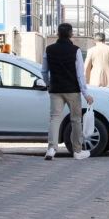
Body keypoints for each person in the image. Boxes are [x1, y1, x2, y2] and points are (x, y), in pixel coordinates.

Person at [41, 23, 94, 161]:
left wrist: (48, 84)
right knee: (76, 120)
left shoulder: (49, 49)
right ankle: (77, 151)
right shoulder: (75, 50)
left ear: (58, 34)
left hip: (55, 89)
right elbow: (80, 74)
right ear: (71, 34)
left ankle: (51, 148)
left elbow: (44, 71)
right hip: (72, 90)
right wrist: (85, 93)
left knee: (54, 118)